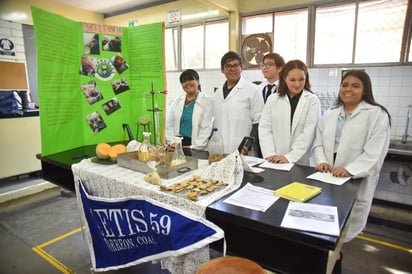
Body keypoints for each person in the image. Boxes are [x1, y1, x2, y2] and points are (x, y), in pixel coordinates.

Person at [311, 70, 391, 273]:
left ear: (365, 90)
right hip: (328, 179)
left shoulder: (376, 115)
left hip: (354, 182)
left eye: (356, 85)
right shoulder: (330, 114)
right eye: (345, 84)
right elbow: (318, 144)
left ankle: (334, 262)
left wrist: (349, 170)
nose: (348, 89)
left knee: (340, 237)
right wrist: (321, 161)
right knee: (324, 231)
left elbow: (375, 153)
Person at [258, 59, 321, 165]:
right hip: (274, 160)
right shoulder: (273, 99)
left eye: (301, 79)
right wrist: (270, 153)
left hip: (300, 161)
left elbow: (309, 132)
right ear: (284, 78)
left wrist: (290, 157)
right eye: (292, 80)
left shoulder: (312, 100)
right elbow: (265, 128)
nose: (297, 84)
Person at [213, 51, 264, 155]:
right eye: (228, 66)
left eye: (236, 65)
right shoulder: (217, 94)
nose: (232, 69)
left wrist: (248, 143)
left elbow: (258, 121)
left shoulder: (253, 90)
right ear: (222, 70)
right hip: (221, 151)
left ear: (242, 68)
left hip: (243, 150)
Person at [166, 69, 214, 150]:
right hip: (178, 144)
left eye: (190, 79)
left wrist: (194, 147)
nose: (187, 83)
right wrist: (172, 142)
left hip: (196, 145)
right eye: (184, 81)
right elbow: (168, 122)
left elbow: (206, 128)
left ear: (198, 81)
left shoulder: (207, 101)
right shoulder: (178, 101)